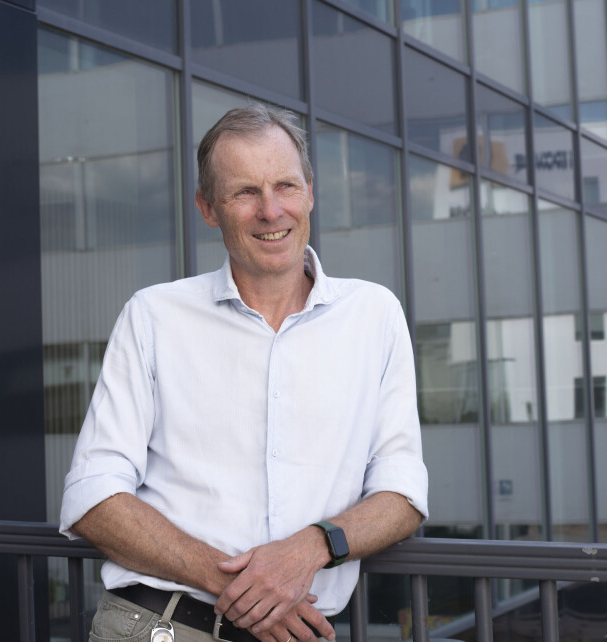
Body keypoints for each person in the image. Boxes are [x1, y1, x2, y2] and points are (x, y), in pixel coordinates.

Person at [59, 103, 429, 642]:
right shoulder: (154, 315)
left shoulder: (375, 315)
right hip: (159, 626)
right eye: (245, 193)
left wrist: (311, 548)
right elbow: (93, 498)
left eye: (285, 186)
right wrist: (245, 587)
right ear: (208, 208)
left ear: (310, 193)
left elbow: (402, 493)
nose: (271, 211)